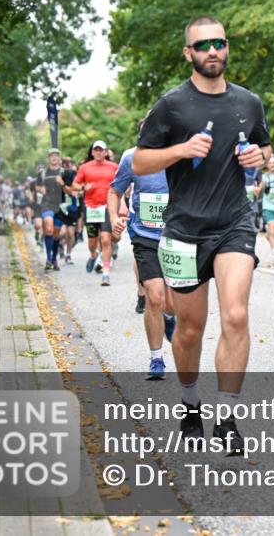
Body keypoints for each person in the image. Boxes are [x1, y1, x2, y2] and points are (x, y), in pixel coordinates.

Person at [133, 15, 271, 448]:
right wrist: (180, 150)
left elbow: (266, 149)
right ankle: (191, 404)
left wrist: (260, 159)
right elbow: (139, 163)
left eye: (219, 43)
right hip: (184, 228)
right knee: (190, 329)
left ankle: (227, 419)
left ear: (227, 47)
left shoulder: (248, 102)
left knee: (236, 315)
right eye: (203, 45)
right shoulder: (171, 106)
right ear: (188, 53)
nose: (213, 51)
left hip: (234, 223)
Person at [109, 135, 177, 380]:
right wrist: (114, 217)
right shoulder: (132, 158)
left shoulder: (182, 154)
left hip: (177, 237)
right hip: (145, 236)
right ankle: (156, 359)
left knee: (172, 302)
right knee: (155, 296)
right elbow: (115, 191)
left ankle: (169, 317)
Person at [72, 141, 120, 285]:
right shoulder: (85, 167)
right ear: (92, 152)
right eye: (96, 150)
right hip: (91, 208)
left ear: (106, 152)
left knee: (106, 239)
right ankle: (93, 255)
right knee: (92, 241)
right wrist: (83, 187)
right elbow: (75, 185)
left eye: (101, 150)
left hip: (107, 207)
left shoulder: (114, 167)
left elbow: (121, 184)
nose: (98, 153)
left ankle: (105, 273)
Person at [37, 149, 67, 271]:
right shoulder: (43, 173)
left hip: (60, 205)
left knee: (56, 233)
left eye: (56, 156)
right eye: (51, 156)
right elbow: (37, 185)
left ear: (59, 158)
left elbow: (69, 188)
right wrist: (40, 189)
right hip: (47, 203)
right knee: (48, 227)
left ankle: (54, 258)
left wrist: (62, 183)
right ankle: (48, 258)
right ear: (48, 158)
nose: (54, 158)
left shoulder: (63, 172)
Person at [58, 157, 80, 264]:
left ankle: (68, 254)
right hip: (60, 207)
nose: (66, 165)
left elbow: (73, 191)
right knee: (61, 232)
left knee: (71, 233)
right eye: (64, 163)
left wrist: (63, 185)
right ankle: (60, 244)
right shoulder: (58, 175)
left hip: (72, 207)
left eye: (68, 163)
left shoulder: (75, 175)